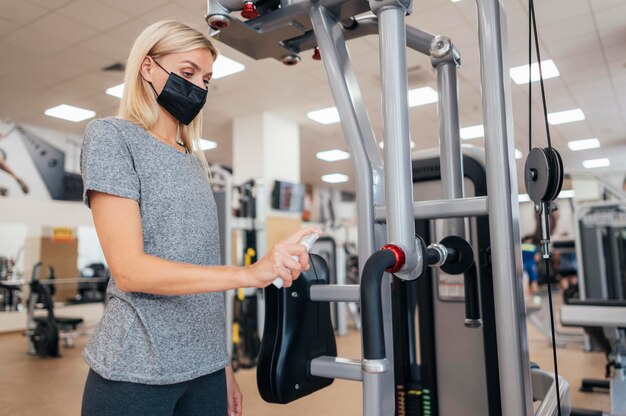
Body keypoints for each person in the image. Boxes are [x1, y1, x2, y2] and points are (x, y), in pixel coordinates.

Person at [79, 20, 320, 416]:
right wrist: (250, 273)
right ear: (148, 67)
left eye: (206, 79)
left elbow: (201, 273)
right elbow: (130, 271)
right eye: (188, 73)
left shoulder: (194, 161)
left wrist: (221, 362)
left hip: (204, 370)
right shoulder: (112, 137)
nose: (198, 87)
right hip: (138, 368)